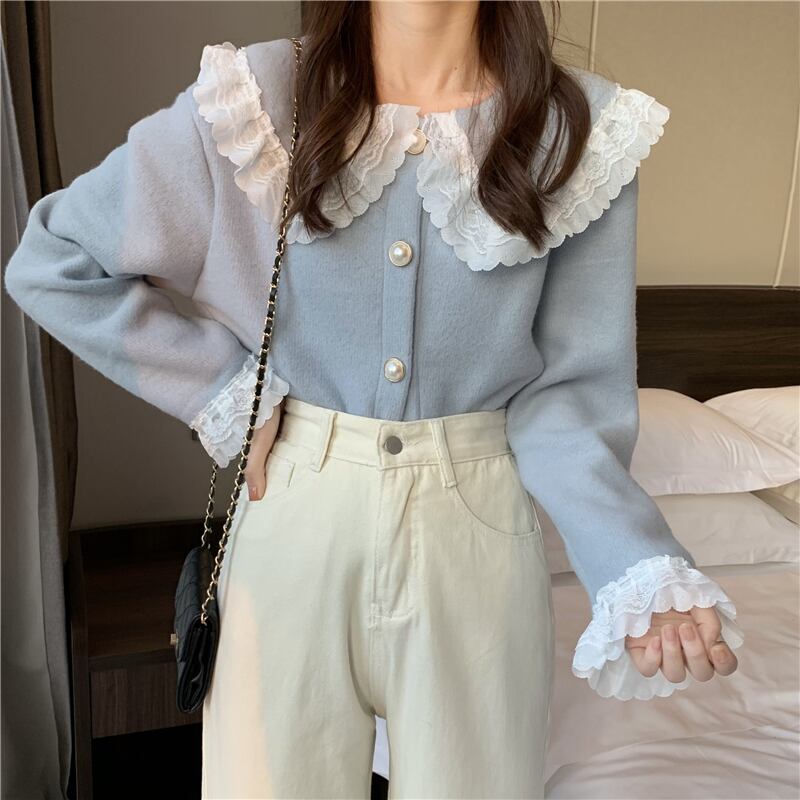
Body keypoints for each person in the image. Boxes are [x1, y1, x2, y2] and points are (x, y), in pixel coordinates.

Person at [4, 2, 744, 798]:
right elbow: (54, 260)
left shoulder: (580, 132)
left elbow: (568, 400)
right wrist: (227, 392)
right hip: (290, 533)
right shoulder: (254, 98)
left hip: (479, 549)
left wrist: (634, 563)